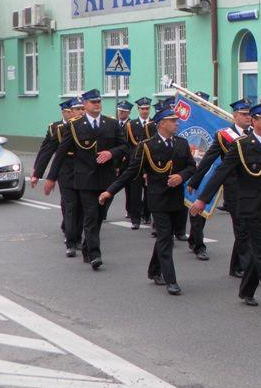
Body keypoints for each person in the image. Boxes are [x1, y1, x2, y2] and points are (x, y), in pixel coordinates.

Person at [191, 102, 261, 318]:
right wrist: (203, 199)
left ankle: (246, 289)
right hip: (251, 208)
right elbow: (220, 173)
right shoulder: (241, 145)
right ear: (255, 120)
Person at [100, 107, 197, 295]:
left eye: (176, 120)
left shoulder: (182, 143)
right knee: (164, 237)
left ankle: (153, 270)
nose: (177, 123)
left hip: (176, 199)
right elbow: (130, 173)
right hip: (158, 200)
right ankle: (171, 280)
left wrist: (181, 176)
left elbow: (191, 167)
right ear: (161, 124)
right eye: (173, 121)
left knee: (166, 237)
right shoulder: (146, 146)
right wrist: (110, 191)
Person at [43, 89, 128, 270]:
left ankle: (88, 250)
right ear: (85, 105)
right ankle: (95, 254)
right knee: (90, 215)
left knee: (99, 217)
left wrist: (111, 153)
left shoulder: (111, 124)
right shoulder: (74, 126)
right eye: (93, 102)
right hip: (85, 179)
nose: (97, 105)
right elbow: (60, 153)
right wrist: (51, 178)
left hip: (106, 179)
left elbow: (125, 146)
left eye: (99, 102)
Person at [186, 99, 254, 275]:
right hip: (234, 188)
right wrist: (195, 181)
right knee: (241, 228)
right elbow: (208, 159)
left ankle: (236, 266)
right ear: (235, 116)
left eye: (249, 114)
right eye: (244, 114)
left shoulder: (255, 133)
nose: (248, 117)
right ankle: (247, 269)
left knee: (247, 228)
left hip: (253, 189)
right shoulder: (224, 136)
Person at [31, 99, 79, 252]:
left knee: (82, 204)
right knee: (69, 203)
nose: (79, 112)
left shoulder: (86, 126)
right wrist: (37, 173)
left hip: (84, 171)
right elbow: (47, 150)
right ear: (67, 112)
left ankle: (75, 232)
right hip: (64, 170)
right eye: (76, 109)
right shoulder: (56, 128)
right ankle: (71, 235)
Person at [123, 97, 155, 229]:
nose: (145, 111)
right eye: (142, 109)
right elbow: (126, 145)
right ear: (138, 109)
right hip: (136, 162)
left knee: (149, 191)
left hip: (151, 163)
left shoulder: (154, 124)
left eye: (147, 109)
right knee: (135, 192)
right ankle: (135, 219)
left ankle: (147, 214)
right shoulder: (131, 124)